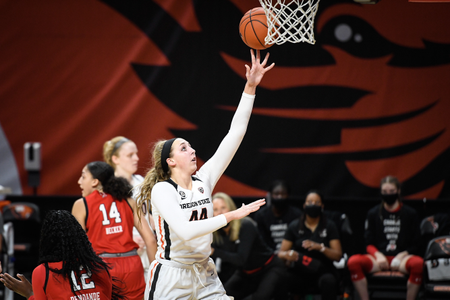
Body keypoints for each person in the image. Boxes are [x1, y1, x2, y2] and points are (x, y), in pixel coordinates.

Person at [135, 49, 273, 300]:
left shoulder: (204, 179)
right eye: (184, 148)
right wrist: (233, 215)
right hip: (171, 276)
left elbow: (235, 133)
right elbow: (186, 231)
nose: (192, 150)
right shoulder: (163, 190)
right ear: (170, 161)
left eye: (191, 146)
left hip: (204, 274)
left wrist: (250, 88)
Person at [72, 161, 156, 300]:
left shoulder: (81, 204)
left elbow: (77, 246)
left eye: (83, 177)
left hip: (101, 266)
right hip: (132, 265)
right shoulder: (129, 201)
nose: (79, 181)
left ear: (94, 182)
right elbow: (151, 240)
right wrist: (155, 275)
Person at [0, 210, 122, 300]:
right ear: (80, 237)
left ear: (46, 240)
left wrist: (29, 293)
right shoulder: (100, 266)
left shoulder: (43, 272)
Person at [347, 175, 423, 300]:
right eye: (384, 192)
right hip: (379, 258)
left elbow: (417, 244)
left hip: (402, 258)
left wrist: (401, 255)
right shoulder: (373, 213)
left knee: (418, 264)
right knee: (353, 262)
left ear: (398, 191)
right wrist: (378, 255)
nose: (388, 194)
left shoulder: (410, 213)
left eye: (392, 191)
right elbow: (368, 242)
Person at [211, 192, 287, 300]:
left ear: (231, 208)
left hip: (269, 267)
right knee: (222, 296)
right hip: (246, 272)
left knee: (259, 297)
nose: (220, 213)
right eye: (216, 209)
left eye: (223, 207)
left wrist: (214, 251)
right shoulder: (216, 233)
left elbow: (241, 259)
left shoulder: (246, 224)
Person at [103, 136, 156, 281]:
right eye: (130, 155)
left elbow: (146, 214)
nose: (137, 158)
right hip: (124, 252)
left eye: (136, 154)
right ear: (115, 159)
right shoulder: (107, 187)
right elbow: (105, 223)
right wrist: (129, 238)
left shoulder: (141, 180)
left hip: (149, 248)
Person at [278, 190, 342, 300]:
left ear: (322, 206)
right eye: (310, 202)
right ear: (304, 205)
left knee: (329, 281)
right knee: (282, 278)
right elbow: (281, 253)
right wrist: (287, 255)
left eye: (317, 202)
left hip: (322, 271)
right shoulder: (294, 226)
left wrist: (321, 248)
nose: (313, 205)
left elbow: (337, 256)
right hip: (300, 272)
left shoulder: (330, 226)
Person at [254, 180, 302, 253]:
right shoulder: (261, 215)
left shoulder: (296, 214)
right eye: (276, 194)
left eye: (283, 194)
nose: (279, 197)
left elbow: (299, 239)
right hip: (270, 254)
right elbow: (262, 241)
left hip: (292, 254)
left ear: (288, 195)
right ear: (270, 195)